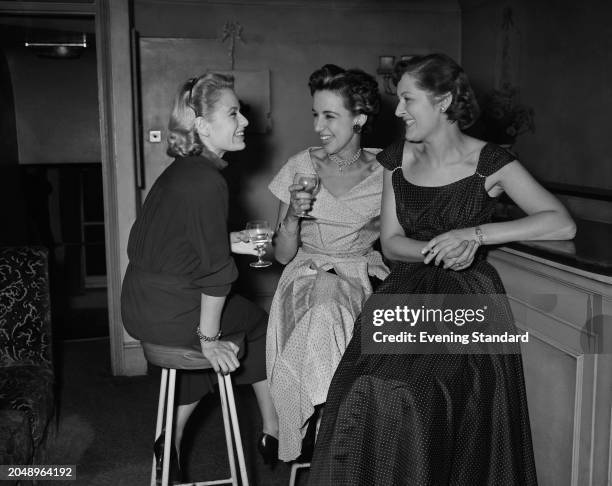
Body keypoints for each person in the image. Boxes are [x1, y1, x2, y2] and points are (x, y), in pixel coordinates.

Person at [308, 53, 576, 485]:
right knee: (359, 389)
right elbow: (393, 243)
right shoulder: (397, 159)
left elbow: (560, 221)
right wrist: (439, 247)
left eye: (408, 100)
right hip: (405, 289)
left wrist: (475, 235)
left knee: (412, 397)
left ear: (444, 101)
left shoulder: (489, 161)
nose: (397, 111)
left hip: (468, 299)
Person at [120, 73, 279, 481]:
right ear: (203, 126)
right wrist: (209, 340)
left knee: (211, 326)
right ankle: (273, 429)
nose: (244, 120)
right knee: (257, 321)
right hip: (172, 311)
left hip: (139, 304)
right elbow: (215, 276)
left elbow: (178, 243)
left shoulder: (180, 171)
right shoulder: (207, 181)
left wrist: (230, 241)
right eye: (233, 113)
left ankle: (168, 437)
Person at [266, 64, 390, 462]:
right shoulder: (300, 166)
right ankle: (326, 426)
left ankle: (329, 427)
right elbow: (281, 254)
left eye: (330, 116)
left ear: (360, 118)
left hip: (360, 277)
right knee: (324, 308)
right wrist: (292, 218)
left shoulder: (389, 172)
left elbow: (399, 238)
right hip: (305, 276)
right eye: (315, 114)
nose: (319, 126)